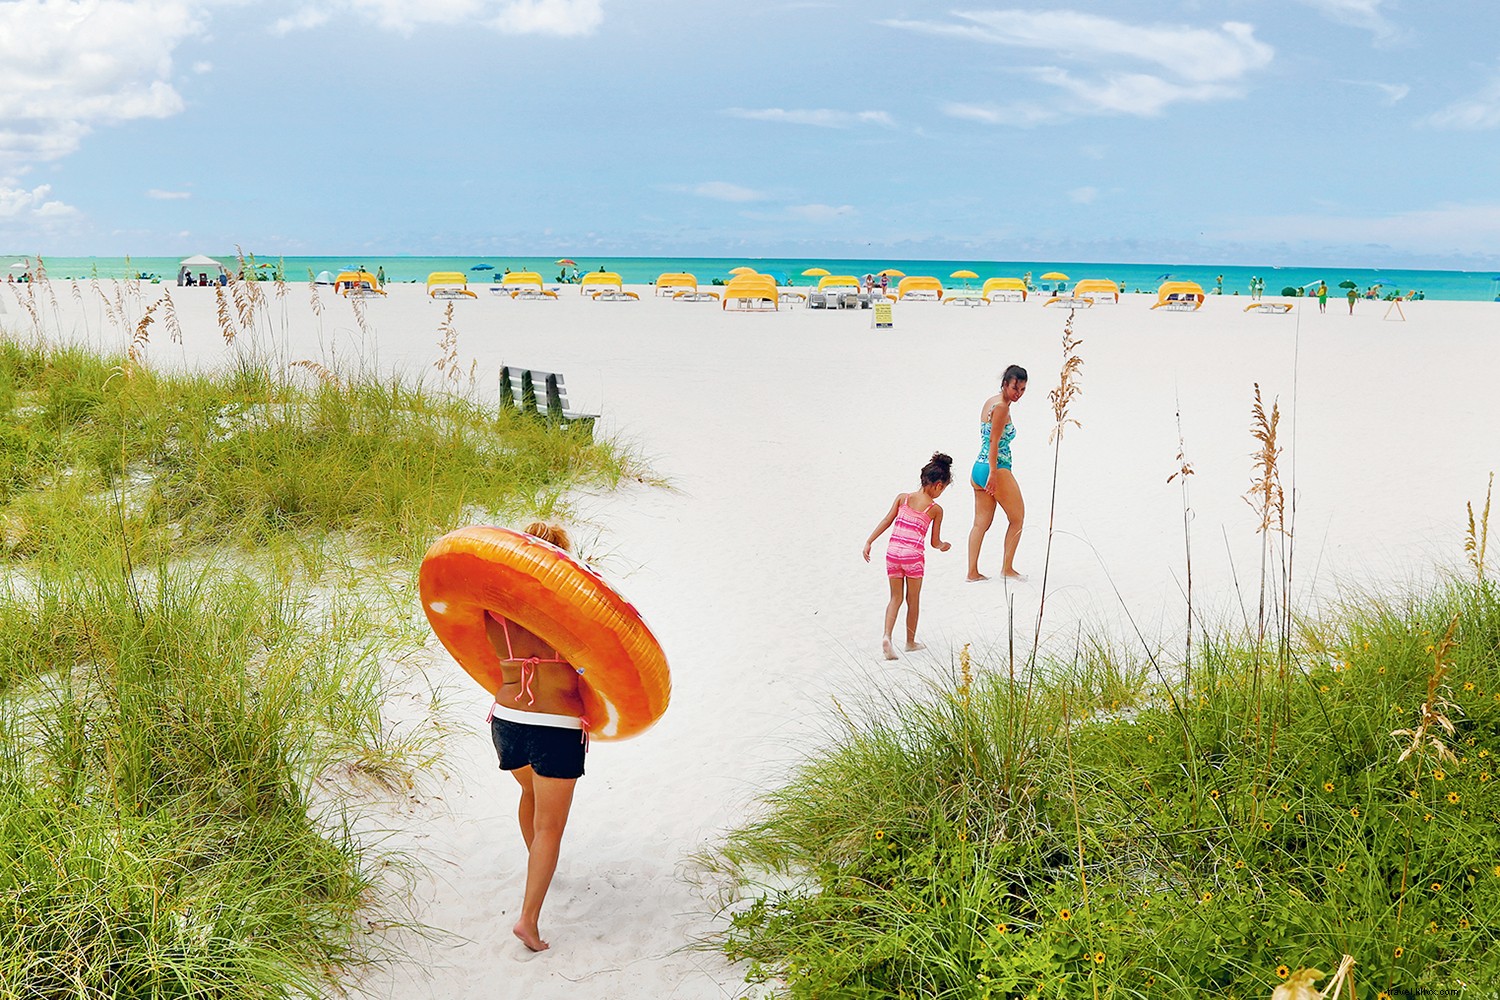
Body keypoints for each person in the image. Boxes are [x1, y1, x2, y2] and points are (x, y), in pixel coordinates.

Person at [484, 521, 588, 952]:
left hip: (506, 719)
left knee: (528, 792)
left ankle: (536, 869)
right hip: (556, 725)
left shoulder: (493, 612)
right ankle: (528, 921)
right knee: (551, 827)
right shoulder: (570, 612)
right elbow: (596, 664)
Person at [862, 453, 953, 660]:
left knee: (895, 597)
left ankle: (887, 636)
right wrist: (943, 546)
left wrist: (870, 541)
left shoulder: (903, 498)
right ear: (938, 486)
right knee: (913, 599)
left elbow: (887, 520)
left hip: (892, 553)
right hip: (913, 557)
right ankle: (910, 642)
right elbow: (934, 542)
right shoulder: (935, 509)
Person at [967, 365, 1028, 581]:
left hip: (978, 467)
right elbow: (994, 441)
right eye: (1015, 388)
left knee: (980, 523)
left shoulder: (990, 401)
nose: (1018, 394)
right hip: (996, 468)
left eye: (1022, 389)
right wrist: (993, 472)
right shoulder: (1002, 407)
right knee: (1018, 518)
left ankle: (972, 572)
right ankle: (1007, 568)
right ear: (1004, 384)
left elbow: (986, 437)